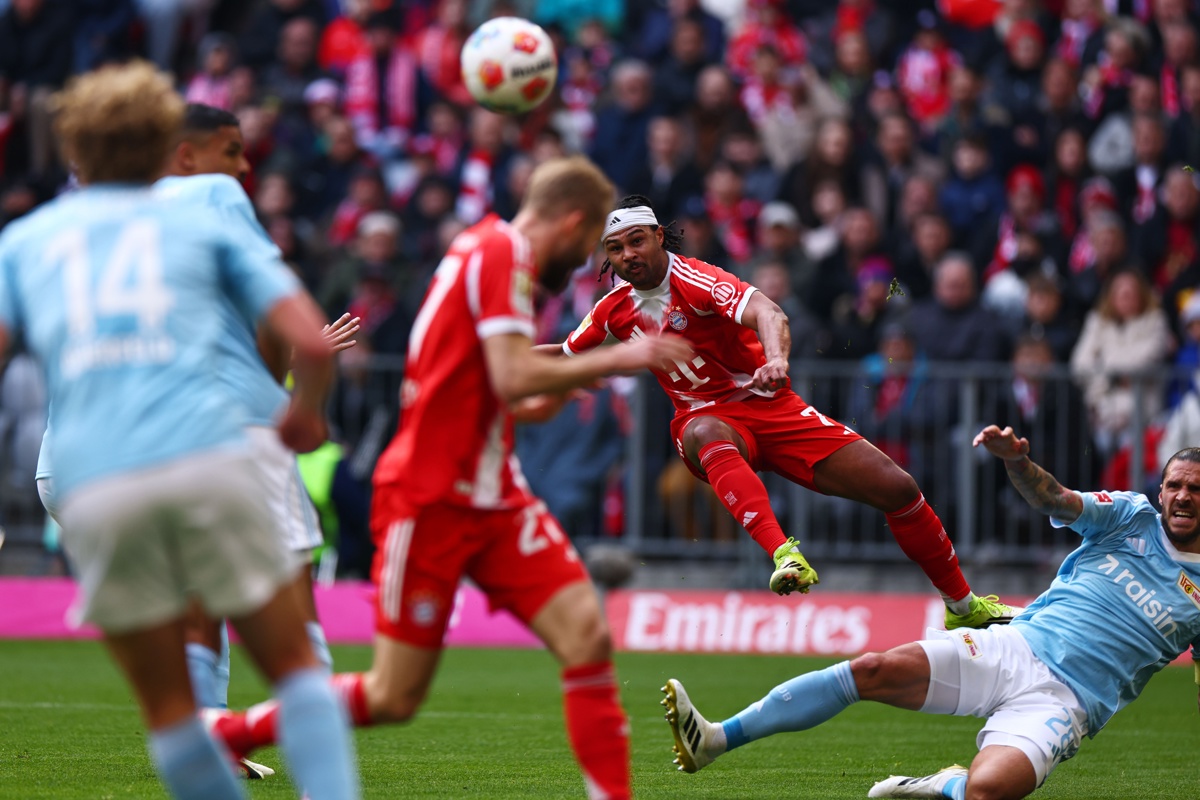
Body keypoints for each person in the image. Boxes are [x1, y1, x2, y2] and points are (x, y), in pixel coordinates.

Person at [203, 157, 692, 800]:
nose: (581, 265)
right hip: (429, 498)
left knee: (586, 634)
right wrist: (626, 355)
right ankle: (230, 732)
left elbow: (495, 381)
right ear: (573, 222)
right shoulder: (499, 253)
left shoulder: (486, 250)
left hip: (497, 495)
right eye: (583, 249)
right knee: (393, 695)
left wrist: (541, 394)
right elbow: (514, 373)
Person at [0, 63, 359, 799]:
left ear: (75, 147)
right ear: (168, 143)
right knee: (294, 667)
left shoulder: (26, 240)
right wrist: (303, 414)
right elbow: (312, 343)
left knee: (172, 711)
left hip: (86, 478)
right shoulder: (207, 211)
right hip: (202, 453)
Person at [661, 424, 1200, 800]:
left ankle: (943, 783)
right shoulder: (1131, 518)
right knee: (872, 669)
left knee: (987, 792)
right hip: (1017, 647)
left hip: (1070, 702)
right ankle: (714, 739)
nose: (1181, 497)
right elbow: (1055, 500)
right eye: (1174, 485)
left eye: (1195, 489)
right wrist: (1017, 461)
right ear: (1161, 488)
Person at [566, 194, 1016, 630]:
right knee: (705, 427)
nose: (628, 254)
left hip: (771, 407)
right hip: (703, 421)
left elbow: (768, 311)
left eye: (637, 240)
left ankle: (962, 604)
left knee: (898, 489)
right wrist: (500, 358)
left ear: (660, 237)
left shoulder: (697, 279)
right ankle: (784, 552)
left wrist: (776, 358)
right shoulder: (611, 312)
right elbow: (564, 356)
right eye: (615, 249)